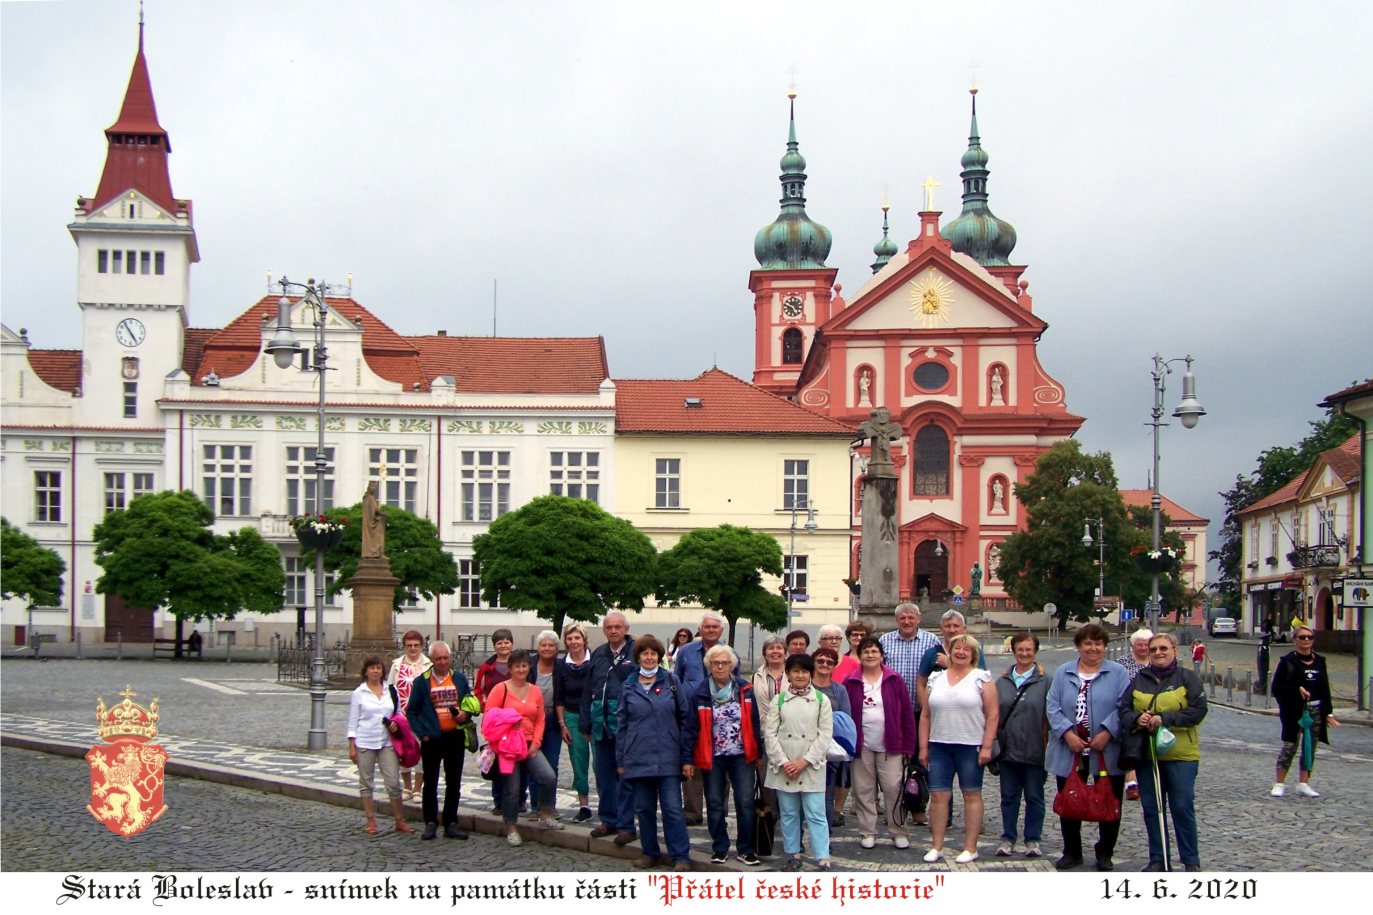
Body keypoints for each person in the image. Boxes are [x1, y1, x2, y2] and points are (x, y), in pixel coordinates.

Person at [1045, 623, 1131, 871]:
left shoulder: (1118, 673)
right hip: (1070, 749)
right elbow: (1052, 705)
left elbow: (1123, 706)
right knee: (1070, 798)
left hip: (1107, 749)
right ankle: (1072, 851)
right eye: (1088, 643)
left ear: (1104, 646)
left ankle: (1105, 851)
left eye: (1098, 644)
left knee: (1109, 800)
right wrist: (1066, 732)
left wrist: (1107, 731)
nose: (1093, 648)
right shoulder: (1064, 672)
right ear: (1079, 646)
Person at [1120, 631, 1208, 872]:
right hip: (1148, 755)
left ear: (1174, 651)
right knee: (1152, 808)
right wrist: (1139, 718)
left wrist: (1165, 718)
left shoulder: (1187, 678)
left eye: (1163, 649)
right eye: (1154, 649)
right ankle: (1158, 858)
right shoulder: (1139, 679)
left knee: (1181, 807)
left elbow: (1198, 711)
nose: (1158, 653)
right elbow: (1124, 710)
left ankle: (1191, 860)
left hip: (1181, 755)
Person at [616, 635, 693, 871]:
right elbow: (622, 724)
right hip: (638, 757)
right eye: (644, 654)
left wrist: (686, 756)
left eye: (653, 654)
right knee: (644, 808)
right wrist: (621, 759)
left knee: (672, 809)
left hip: (668, 756)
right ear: (638, 657)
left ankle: (680, 856)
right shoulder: (628, 685)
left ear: (659, 657)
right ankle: (650, 852)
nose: (649, 658)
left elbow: (685, 718)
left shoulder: (671, 681)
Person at [919, 634, 997, 864]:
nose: (961, 652)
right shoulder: (936, 678)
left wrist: (987, 746)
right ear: (950, 651)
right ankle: (937, 845)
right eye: (957, 648)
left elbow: (993, 715)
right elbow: (925, 715)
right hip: (940, 744)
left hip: (970, 745)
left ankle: (970, 847)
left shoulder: (981, 678)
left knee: (971, 794)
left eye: (967, 649)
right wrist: (924, 746)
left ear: (974, 654)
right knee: (938, 795)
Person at [685, 643, 763, 866]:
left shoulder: (744, 689)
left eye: (725, 662)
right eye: (716, 663)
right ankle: (720, 847)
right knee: (715, 802)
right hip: (713, 755)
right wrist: (688, 759)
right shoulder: (700, 692)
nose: (720, 666)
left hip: (742, 754)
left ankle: (745, 849)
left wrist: (758, 753)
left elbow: (755, 723)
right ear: (709, 666)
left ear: (732, 665)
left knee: (745, 801)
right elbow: (691, 728)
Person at [844, 636, 915, 851]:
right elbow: (845, 715)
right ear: (860, 655)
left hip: (890, 744)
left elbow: (906, 714)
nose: (870, 655)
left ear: (882, 655)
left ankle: (898, 830)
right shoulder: (851, 681)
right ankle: (867, 831)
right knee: (863, 789)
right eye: (866, 651)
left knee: (893, 787)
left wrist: (908, 746)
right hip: (862, 745)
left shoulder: (894, 679)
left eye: (874, 651)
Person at [764, 653, 834, 871]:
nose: (800, 675)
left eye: (804, 671)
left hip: (811, 766)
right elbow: (770, 734)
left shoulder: (822, 700)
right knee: (789, 813)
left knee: (816, 813)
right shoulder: (779, 700)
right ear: (788, 674)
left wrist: (805, 761)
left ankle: (823, 857)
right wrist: (784, 762)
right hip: (784, 767)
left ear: (811, 674)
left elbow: (825, 735)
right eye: (795, 671)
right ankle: (793, 854)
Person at [486, 649, 562, 844]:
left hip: (529, 744)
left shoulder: (535, 690)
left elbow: (540, 720)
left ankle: (544, 814)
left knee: (548, 777)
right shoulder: (500, 689)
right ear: (510, 668)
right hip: (508, 746)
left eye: (524, 666)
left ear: (529, 668)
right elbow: (489, 717)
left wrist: (536, 743)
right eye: (517, 666)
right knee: (512, 788)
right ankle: (511, 827)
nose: (521, 669)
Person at [406, 640, 474, 841]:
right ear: (432, 660)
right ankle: (430, 822)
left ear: (450, 658)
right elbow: (412, 711)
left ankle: (451, 822)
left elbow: (469, 704)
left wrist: (465, 714)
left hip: (454, 736)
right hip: (432, 738)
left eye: (445, 658)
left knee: (454, 782)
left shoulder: (459, 679)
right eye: (438, 658)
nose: (442, 662)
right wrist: (422, 734)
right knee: (431, 781)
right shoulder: (422, 681)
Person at [672, 611, 734, 825]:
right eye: (707, 627)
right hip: (691, 715)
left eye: (715, 627)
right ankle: (692, 812)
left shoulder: (729, 652)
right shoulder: (686, 652)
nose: (710, 630)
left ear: (721, 630)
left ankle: (719, 811)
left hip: (720, 717)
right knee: (691, 763)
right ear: (700, 629)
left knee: (721, 765)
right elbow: (677, 680)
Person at [582, 611, 638, 844]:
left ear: (626, 628)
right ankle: (608, 819)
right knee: (603, 774)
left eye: (618, 627)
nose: (613, 630)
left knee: (624, 776)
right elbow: (588, 689)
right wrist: (585, 721)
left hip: (626, 725)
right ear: (604, 630)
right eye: (609, 627)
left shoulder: (636, 652)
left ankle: (626, 825)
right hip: (600, 723)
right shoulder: (598, 654)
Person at [994, 631, 1049, 859]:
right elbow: (994, 714)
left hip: (1036, 748)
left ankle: (1033, 839)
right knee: (1009, 796)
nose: (1024, 653)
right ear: (1013, 651)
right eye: (1020, 649)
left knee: (1035, 797)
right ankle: (1008, 837)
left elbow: (1050, 716)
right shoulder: (1002, 681)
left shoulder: (1047, 680)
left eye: (1029, 649)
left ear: (1035, 652)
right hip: (1008, 749)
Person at [1271, 624, 1340, 798]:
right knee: (1290, 745)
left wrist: (1328, 712)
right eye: (1302, 637)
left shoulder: (1319, 661)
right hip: (1295, 711)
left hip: (1315, 709)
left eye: (1310, 637)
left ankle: (1303, 783)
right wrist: (1296, 690)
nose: (1306, 640)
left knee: (1310, 747)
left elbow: (1324, 688)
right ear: (1295, 640)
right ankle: (1279, 783)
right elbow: (1276, 688)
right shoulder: (1287, 662)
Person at [347, 655, 412, 835]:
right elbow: (353, 721)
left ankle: (399, 821)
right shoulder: (359, 693)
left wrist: (395, 723)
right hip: (365, 740)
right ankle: (371, 821)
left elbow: (399, 714)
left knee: (393, 782)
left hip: (386, 741)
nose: (376, 671)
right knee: (366, 783)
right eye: (372, 668)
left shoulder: (391, 691)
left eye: (378, 668)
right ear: (366, 671)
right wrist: (351, 745)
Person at [554, 622, 594, 823]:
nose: (573, 642)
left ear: (584, 640)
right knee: (578, 762)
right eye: (569, 638)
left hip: (595, 715)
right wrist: (562, 725)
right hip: (571, 715)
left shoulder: (595, 660)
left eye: (577, 638)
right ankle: (584, 804)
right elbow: (558, 697)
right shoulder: (561, 665)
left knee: (602, 763)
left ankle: (609, 804)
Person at [387, 629, 432, 800]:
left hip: (421, 716)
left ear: (421, 646)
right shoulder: (397, 665)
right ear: (404, 647)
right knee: (403, 750)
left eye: (416, 645)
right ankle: (406, 786)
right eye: (409, 646)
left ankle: (418, 788)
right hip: (401, 714)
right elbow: (390, 688)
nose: (413, 649)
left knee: (421, 751)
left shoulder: (428, 665)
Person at [811, 646, 852, 827]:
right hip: (804, 747)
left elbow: (845, 721)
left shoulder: (839, 690)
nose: (824, 664)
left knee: (826, 796)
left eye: (829, 662)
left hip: (830, 750)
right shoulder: (805, 686)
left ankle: (825, 839)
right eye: (820, 660)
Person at [522, 631, 562, 816]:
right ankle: (535, 805)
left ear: (556, 649)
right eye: (543, 645)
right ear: (538, 648)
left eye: (551, 645)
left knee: (551, 764)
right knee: (532, 761)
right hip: (531, 720)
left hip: (552, 719)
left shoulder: (561, 667)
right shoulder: (529, 666)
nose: (547, 648)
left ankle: (549, 805)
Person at [1118, 628, 1154, 801]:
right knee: (1131, 749)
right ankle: (1131, 785)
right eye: (1139, 644)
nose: (1143, 648)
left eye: (1146, 644)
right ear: (1132, 646)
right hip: (1130, 713)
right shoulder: (1122, 664)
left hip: (1154, 713)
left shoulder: (1157, 663)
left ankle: (1149, 781)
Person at [474, 628, 515, 705]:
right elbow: (478, 690)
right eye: (499, 643)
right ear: (494, 646)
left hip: (517, 710)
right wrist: (485, 707)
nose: (503, 646)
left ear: (512, 644)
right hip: (493, 711)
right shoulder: (486, 667)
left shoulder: (520, 664)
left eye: (506, 642)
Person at [753, 636, 788, 705]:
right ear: (764, 654)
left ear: (785, 654)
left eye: (779, 648)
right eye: (771, 648)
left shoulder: (793, 675)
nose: (775, 651)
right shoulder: (756, 677)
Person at [836, 619, 871, 683]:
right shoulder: (842, 659)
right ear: (848, 637)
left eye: (862, 635)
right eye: (855, 634)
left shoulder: (873, 658)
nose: (859, 638)